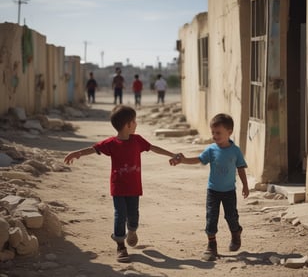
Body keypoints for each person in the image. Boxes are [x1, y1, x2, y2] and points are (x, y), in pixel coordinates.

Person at [64, 105, 178, 263]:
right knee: (120, 215)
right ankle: (120, 246)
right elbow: (94, 149)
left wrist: (172, 154)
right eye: (134, 121)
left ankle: (132, 231)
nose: (136, 124)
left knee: (133, 216)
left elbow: (153, 148)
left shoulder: (137, 140)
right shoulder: (111, 143)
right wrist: (78, 153)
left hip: (134, 188)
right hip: (118, 187)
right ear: (128, 125)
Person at [170, 113, 249, 261]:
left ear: (229, 132)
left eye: (218, 133)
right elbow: (199, 160)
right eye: (213, 132)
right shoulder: (211, 150)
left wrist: (245, 186)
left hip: (229, 192)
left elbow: (241, 168)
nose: (214, 136)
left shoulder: (235, 151)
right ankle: (211, 245)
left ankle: (236, 232)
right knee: (211, 218)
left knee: (231, 216)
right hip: (213, 191)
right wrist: (184, 160)